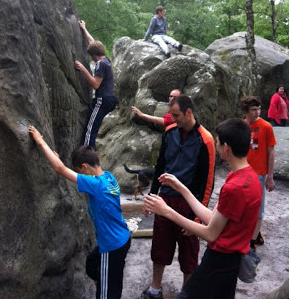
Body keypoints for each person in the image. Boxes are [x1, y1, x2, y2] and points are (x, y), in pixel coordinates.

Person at [144, 118, 262, 299]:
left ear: (227, 148)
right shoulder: (246, 176)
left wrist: (166, 211)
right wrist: (181, 187)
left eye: (218, 143)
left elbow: (210, 234)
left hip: (219, 260)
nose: (216, 145)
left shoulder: (235, 188)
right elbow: (211, 217)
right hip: (231, 260)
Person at [28, 126, 131, 299]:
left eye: (78, 171)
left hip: (112, 246)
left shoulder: (96, 185)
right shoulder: (108, 177)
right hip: (122, 238)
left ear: (84, 167)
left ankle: (106, 287)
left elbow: (60, 170)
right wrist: (58, 161)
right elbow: (64, 170)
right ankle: (106, 281)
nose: (77, 175)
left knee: (106, 294)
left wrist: (40, 141)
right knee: (93, 264)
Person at [140, 95, 215, 299]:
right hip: (165, 198)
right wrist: (152, 197)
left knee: (188, 253)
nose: (172, 119)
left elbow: (207, 182)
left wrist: (197, 217)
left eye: (176, 115)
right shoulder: (169, 132)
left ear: (189, 113)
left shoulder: (205, 139)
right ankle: (155, 288)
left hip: (188, 203)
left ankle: (187, 292)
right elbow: (159, 167)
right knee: (159, 246)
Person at [240, 96, 277, 250]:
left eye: (259, 109)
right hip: (243, 173)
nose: (257, 112)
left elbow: (271, 152)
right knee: (243, 207)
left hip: (260, 174)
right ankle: (254, 234)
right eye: (253, 110)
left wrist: (270, 176)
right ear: (245, 111)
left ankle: (252, 242)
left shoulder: (266, 126)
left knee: (258, 209)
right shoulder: (241, 126)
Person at [75, 20, 117, 148]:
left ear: (94, 55)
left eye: (91, 55)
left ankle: (87, 156)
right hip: (110, 99)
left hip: (102, 100)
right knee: (94, 125)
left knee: (90, 129)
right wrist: (84, 28)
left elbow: (95, 84)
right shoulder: (106, 59)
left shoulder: (100, 64)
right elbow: (92, 42)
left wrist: (83, 69)